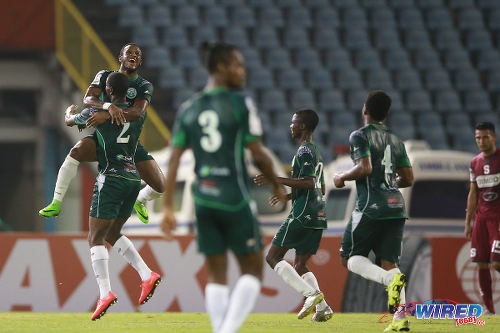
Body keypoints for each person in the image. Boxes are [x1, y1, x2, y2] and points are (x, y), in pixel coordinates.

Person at [161, 42, 285, 333]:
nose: (243, 72)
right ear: (221, 67)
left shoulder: (188, 109)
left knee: (216, 276)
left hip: (203, 199)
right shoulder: (241, 104)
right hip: (234, 198)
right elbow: (257, 153)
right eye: (237, 65)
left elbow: (175, 161)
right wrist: (277, 185)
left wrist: (168, 207)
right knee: (253, 269)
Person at [69, 72, 161, 320]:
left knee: (95, 238)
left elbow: (71, 120)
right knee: (111, 233)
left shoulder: (99, 114)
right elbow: (135, 112)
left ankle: (105, 293)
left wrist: (71, 113)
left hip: (110, 177)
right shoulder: (135, 114)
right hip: (133, 178)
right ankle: (146, 274)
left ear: (109, 90)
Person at [39, 43, 164, 224]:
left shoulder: (144, 85)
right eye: (129, 52)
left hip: (128, 142)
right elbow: (88, 99)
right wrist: (108, 106)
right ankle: (56, 202)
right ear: (120, 57)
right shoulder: (105, 76)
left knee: (160, 186)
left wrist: (104, 115)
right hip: (103, 139)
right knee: (76, 152)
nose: (133, 55)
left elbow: (137, 112)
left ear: (141, 61)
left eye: (137, 54)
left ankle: (139, 200)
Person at [333, 90, 414, 332]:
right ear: (387, 114)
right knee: (390, 262)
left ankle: (388, 280)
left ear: (364, 110)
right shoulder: (396, 139)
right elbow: (408, 178)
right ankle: (401, 318)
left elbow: (364, 167)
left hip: (370, 206)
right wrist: (388, 183)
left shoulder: (360, 135)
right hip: (396, 207)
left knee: (348, 257)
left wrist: (341, 177)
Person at [253, 109, 332, 322]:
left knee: (272, 257)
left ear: (303, 126)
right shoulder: (315, 151)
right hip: (317, 214)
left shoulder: (305, 151)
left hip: (303, 214)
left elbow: (308, 183)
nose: (291, 126)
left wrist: (275, 179)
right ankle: (322, 308)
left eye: (294, 122)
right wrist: (288, 197)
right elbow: (319, 188)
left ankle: (311, 295)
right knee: (299, 264)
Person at [465, 121, 500, 315]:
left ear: (493, 137)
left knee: (496, 262)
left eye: (485, 137)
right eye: (478, 137)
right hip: (481, 219)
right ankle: (489, 309)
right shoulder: (474, 163)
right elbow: (473, 193)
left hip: (498, 218)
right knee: (482, 262)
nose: (481, 141)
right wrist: (468, 222)